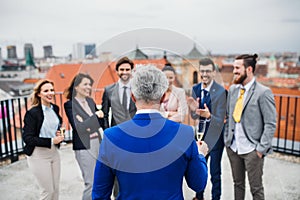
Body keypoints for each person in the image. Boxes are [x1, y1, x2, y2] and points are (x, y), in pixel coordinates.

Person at [92, 65, 209, 200]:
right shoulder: (185, 133)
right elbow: (198, 184)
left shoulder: (111, 136)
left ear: (133, 97)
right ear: (163, 96)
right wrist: (200, 155)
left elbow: (100, 194)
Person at [224, 54, 276, 200]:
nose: (234, 71)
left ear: (249, 69)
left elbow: (270, 123)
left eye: (237, 68)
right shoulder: (233, 90)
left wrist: (260, 149)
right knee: (238, 184)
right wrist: (227, 141)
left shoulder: (263, 92)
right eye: (234, 67)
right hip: (234, 148)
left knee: (256, 189)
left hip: (252, 150)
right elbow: (229, 117)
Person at [187, 58, 227, 200]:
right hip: (200, 136)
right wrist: (192, 110)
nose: (205, 74)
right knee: (199, 167)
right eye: (202, 71)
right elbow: (194, 114)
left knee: (215, 173)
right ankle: (199, 197)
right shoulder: (196, 89)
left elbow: (221, 120)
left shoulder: (221, 92)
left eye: (208, 71)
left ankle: (216, 198)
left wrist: (209, 115)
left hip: (215, 138)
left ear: (214, 73)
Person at [101, 56, 137, 198]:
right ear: (117, 71)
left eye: (127, 69)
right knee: (117, 170)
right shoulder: (109, 90)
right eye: (121, 69)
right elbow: (104, 113)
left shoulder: (138, 89)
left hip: (136, 136)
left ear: (132, 70)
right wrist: (107, 132)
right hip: (116, 138)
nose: (124, 72)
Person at [22, 79, 65, 200]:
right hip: (38, 155)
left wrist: (57, 133)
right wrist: (51, 140)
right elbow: (28, 138)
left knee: (55, 190)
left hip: (54, 153)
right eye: (46, 91)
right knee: (47, 191)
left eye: (52, 90)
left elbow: (55, 125)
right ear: (39, 94)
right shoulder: (32, 113)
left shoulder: (55, 108)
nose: (50, 93)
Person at [64, 73, 104, 200]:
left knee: (100, 179)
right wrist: (95, 117)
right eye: (85, 84)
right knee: (90, 182)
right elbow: (79, 128)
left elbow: (99, 124)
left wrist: (89, 122)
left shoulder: (90, 101)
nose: (89, 87)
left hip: (97, 142)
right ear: (76, 86)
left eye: (90, 85)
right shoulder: (70, 105)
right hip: (84, 146)